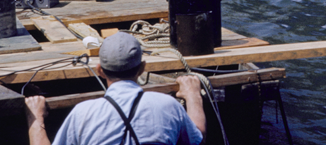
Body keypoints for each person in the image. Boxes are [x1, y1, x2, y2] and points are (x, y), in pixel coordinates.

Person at [24, 32, 206, 145]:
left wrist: (35, 118)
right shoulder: (167, 105)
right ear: (142, 69)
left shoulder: (83, 113)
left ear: (100, 71)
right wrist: (193, 96)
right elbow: (198, 138)